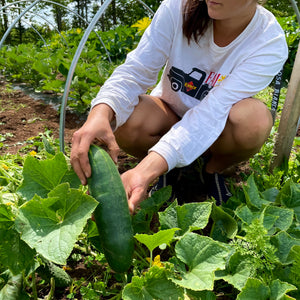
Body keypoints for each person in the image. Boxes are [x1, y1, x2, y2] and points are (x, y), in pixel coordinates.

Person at [71, 0, 288, 213]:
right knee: (126, 118)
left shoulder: (268, 41)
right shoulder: (179, 7)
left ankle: (211, 169)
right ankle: (171, 167)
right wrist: (101, 112)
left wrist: (145, 170)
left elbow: (212, 111)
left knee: (254, 121)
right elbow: (137, 69)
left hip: (218, 131)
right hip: (169, 114)